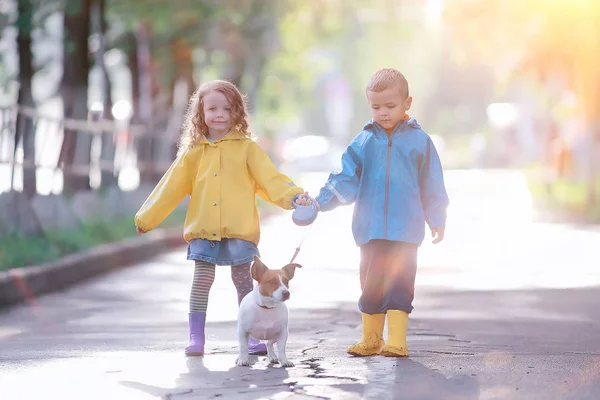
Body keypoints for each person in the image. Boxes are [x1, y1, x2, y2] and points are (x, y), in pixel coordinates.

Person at [134, 79, 308, 356]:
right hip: (203, 230)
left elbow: (270, 180)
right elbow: (169, 188)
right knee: (201, 282)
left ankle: (251, 336)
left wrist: (294, 197)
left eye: (226, 109)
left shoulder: (247, 149)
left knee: (243, 284)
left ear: (236, 112)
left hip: (240, 231)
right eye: (212, 108)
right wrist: (147, 218)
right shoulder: (193, 153)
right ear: (200, 113)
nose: (219, 114)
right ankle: (196, 337)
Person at [302, 68, 449, 357]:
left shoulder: (420, 142)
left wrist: (437, 218)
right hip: (369, 229)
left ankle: (397, 339)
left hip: (406, 231)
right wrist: (319, 201)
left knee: (400, 284)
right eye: (376, 106)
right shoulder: (363, 142)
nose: (382, 112)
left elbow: (432, 184)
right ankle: (371, 338)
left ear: (407, 103)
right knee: (370, 286)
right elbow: (344, 178)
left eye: (390, 106)